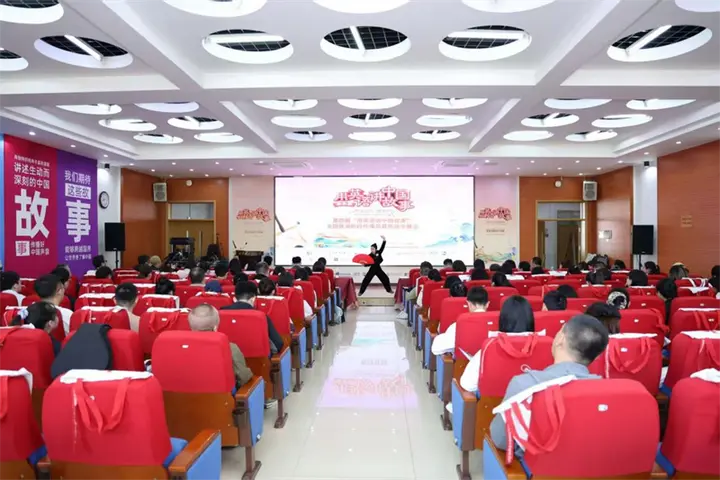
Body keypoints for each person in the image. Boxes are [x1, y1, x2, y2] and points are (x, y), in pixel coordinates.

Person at [490, 314, 609, 453]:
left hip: (534, 464)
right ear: (598, 355)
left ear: (561, 339)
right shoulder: (608, 392)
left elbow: (501, 440)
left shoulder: (524, 385)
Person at [460, 295, 536, 393]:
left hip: (495, 402)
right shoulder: (548, 346)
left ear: (503, 319)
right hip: (533, 401)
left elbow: (467, 384)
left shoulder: (491, 346)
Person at [188, 304, 253, 389]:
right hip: (222, 395)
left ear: (191, 328)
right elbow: (244, 377)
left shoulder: (179, 348)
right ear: (215, 328)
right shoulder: (229, 348)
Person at [221, 281, 284, 354]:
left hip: (228, 357)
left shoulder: (220, 313)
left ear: (234, 299)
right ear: (253, 299)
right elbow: (278, 344)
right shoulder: (260, 316)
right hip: (259, 359)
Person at [432, 286, 489, 356]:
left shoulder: (460, 325)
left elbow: (436, 348)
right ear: (487, 304)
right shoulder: (498, 324)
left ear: (468, 303)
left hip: (466, 362)